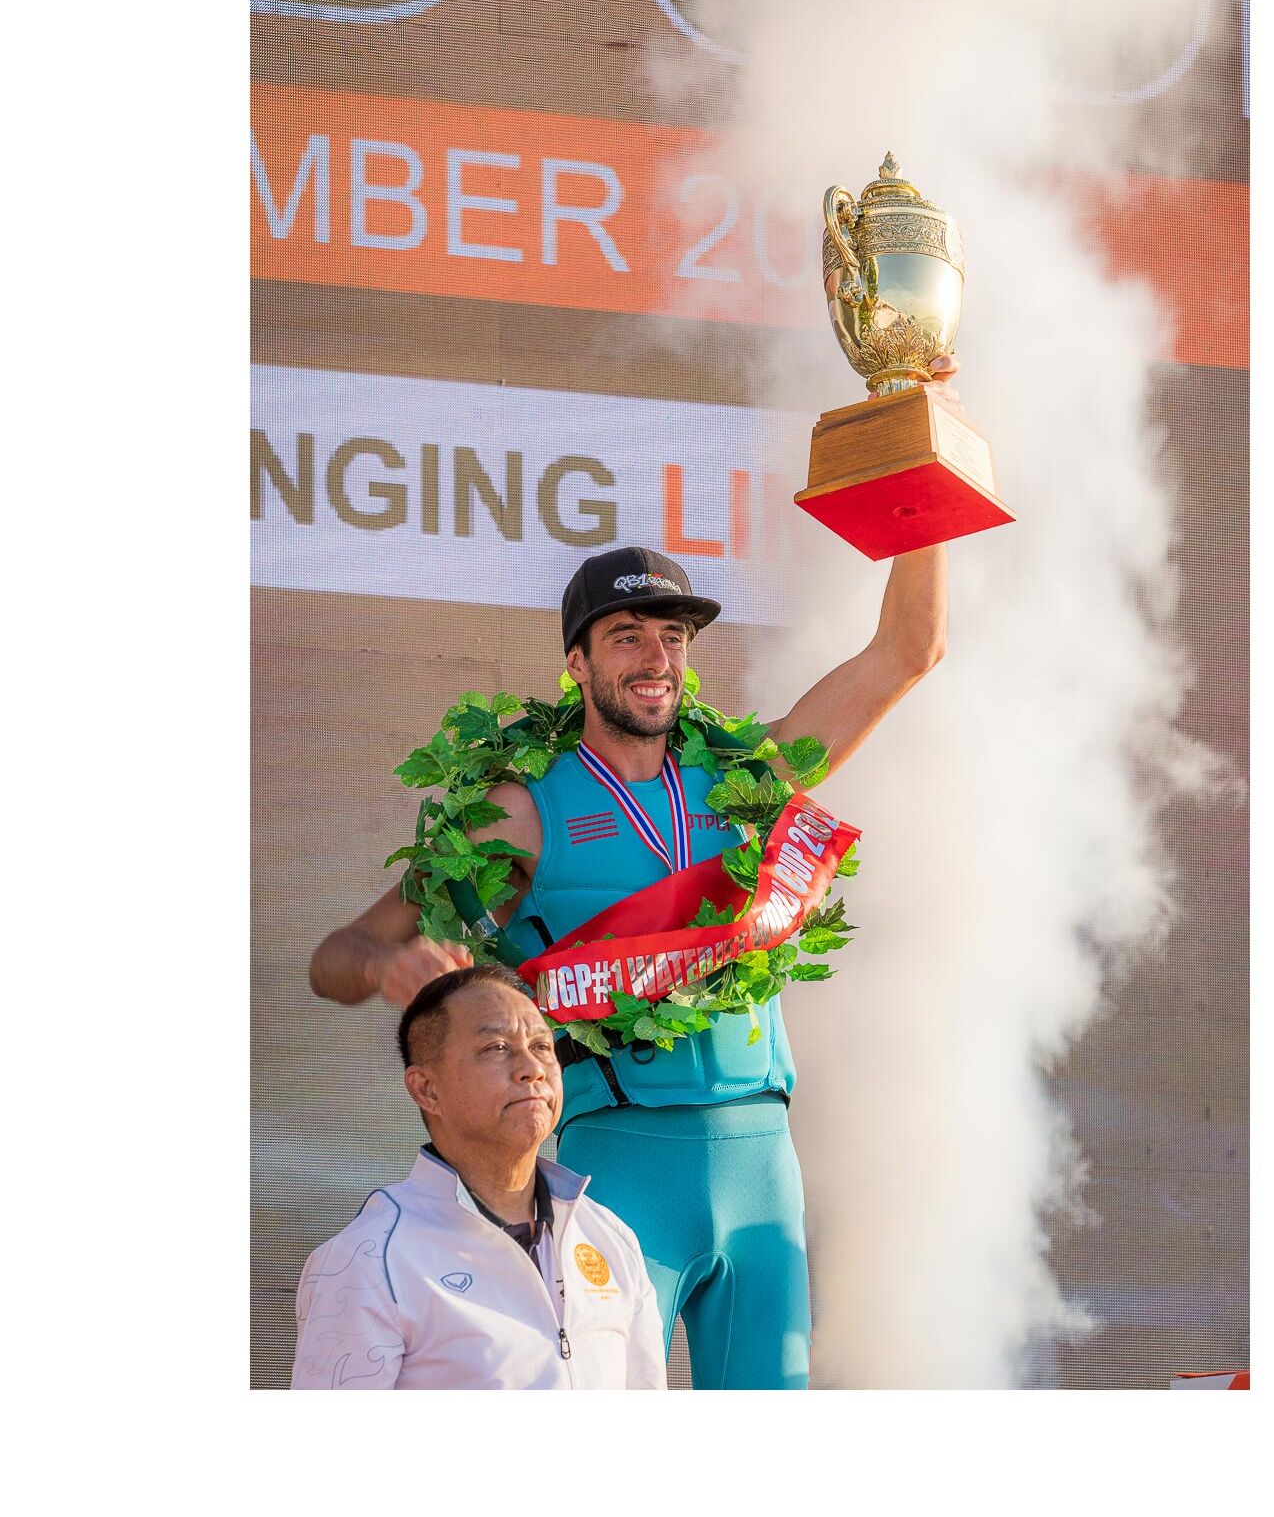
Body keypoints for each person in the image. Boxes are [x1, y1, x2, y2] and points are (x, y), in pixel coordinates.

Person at [310, 361, 958, 1387]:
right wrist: (397, 970)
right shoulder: (520, 811)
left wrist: (926, 448)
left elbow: (909, 648)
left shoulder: (746, 777)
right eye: (626, 637)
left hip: (763, 1161)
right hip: (615, 1162)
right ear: (577, 662)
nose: (656, 657)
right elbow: (338, 954)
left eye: (672, 636)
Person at [290, 967, 667, 1389]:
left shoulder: (608, 1236)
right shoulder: (369, 1260)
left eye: (542, 1046)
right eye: (497, 1047)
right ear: (427, 1089)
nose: (532, 1069)